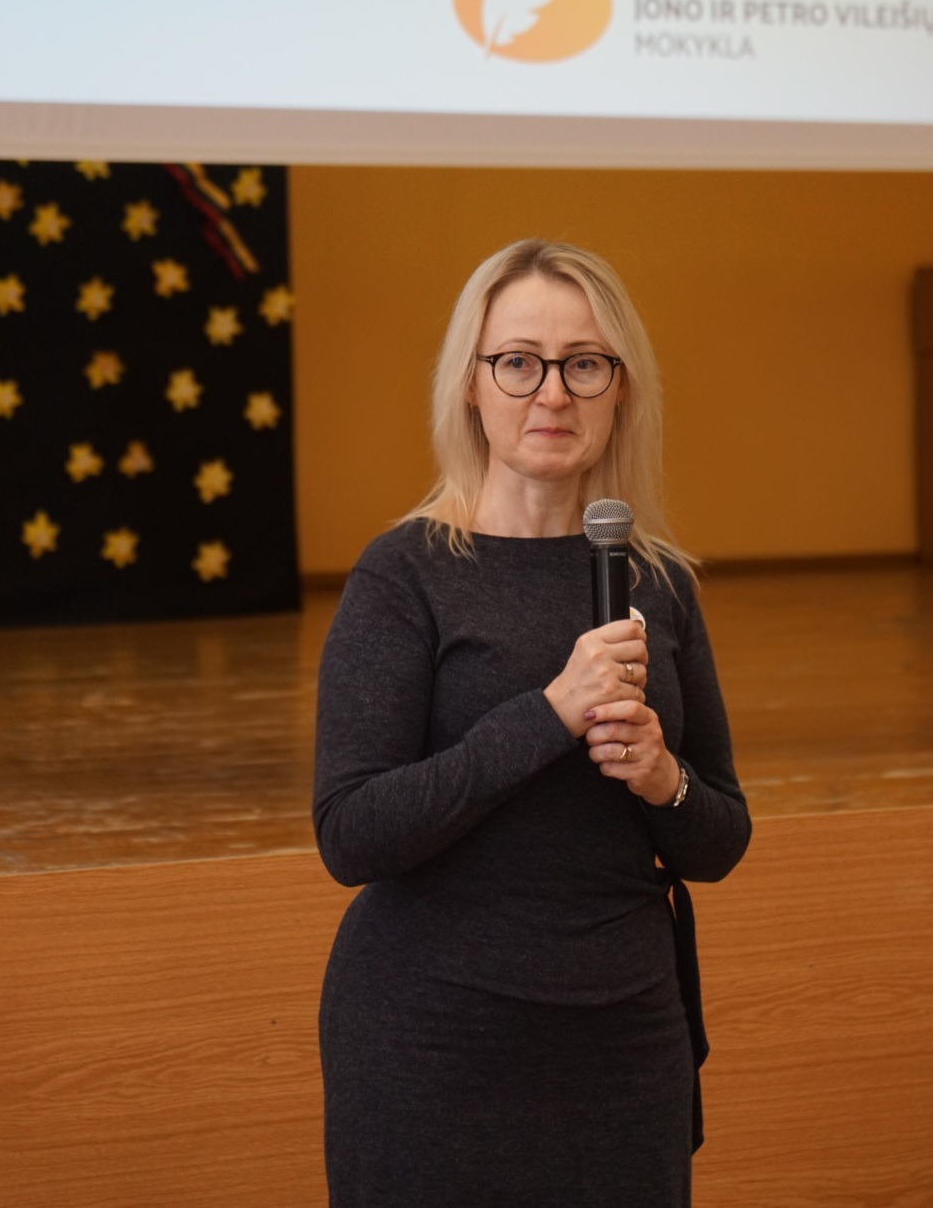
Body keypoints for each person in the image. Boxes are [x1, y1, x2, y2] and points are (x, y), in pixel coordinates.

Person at [314, 238, 751, 1208]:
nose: (552, 392)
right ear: (470, 385)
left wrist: (662, 778)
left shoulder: (659, 582)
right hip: (433, 1036)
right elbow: (352, 832)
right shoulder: (405, 574)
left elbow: (721, 836)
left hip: (624, 1035)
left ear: (621, 388)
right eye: (518, 361)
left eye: (584, 363)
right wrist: (550, 713)